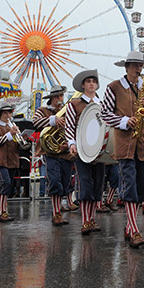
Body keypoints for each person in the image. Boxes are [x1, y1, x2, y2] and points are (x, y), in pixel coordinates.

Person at [101, 51, 144, 248]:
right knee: (130, 185)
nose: (138, 69)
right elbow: (104, 113)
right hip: (124, 143)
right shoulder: (113, 87)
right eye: (134, 65)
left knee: (140, 186)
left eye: (140, 65)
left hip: (143, 143)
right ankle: (134, 229)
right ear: (126, 67)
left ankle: (129, 227)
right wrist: (124, 120)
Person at [65, 70, 105, 235]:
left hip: (100, 150)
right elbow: (69, 126)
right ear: (83, 85)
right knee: (85, 184)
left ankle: (92, 219)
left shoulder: (102, 104)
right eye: (88, 81)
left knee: (97, 185)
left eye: (94, 81)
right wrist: (71, 143)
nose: (91, 84)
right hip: (82, 150)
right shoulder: (74, 104)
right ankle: (85, 221)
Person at [33, 84, 73, 227]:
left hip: (65, 152)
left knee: (65, 181)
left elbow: (73, 128)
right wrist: (53, 120)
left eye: (61, 96)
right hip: (50, 152)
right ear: (52, 98)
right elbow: (35, 123)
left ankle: (60, 208)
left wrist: (67, 143)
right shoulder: (42, 110)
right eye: (57, 96)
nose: (60, 99)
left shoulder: (68, 111)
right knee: (55, 181)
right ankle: (56, 213)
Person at [0, 104, 21, 222]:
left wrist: (21, 138)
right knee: (5, 183)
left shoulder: (12, 127)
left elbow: (17, 144)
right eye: (5, 113)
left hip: (12, 160)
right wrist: (10, 134)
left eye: (9, 113)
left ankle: (3, 211)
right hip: (0, 160)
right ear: (0, 115)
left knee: (9, 186)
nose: (8, 116)